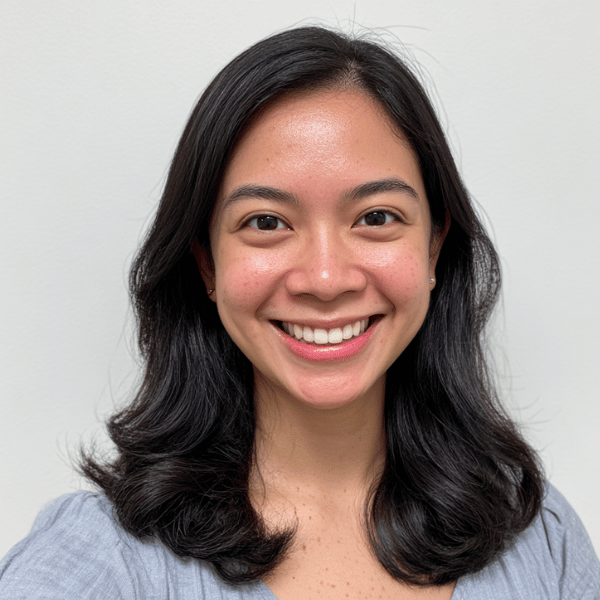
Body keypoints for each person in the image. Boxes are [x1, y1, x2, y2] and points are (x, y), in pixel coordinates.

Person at [0, 25, 598, 600]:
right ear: (207, 265)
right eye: (266, 222)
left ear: (434, 247)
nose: (326, 280)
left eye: (377, 217)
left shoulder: (541, 538)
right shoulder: (102, 559)